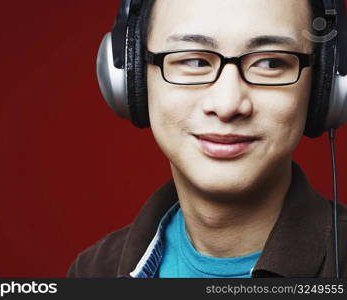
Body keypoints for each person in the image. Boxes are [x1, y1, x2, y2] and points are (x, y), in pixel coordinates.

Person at [68, 0, 347, 278]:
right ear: (131, 77)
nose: (227, 105)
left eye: (270, 62)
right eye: (193, 60)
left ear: (326, 83)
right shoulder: (93, 271)